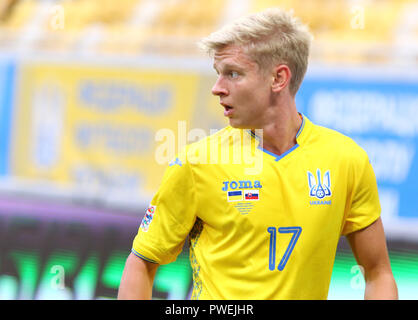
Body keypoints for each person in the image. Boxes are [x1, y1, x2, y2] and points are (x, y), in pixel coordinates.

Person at [118, 8, 398, 300]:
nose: (217, 88)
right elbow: (141, 262)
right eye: (218, 74)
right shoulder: (197, 162)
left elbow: (378, 272)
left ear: (278, 78)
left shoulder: (346, 159)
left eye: (233, 74)